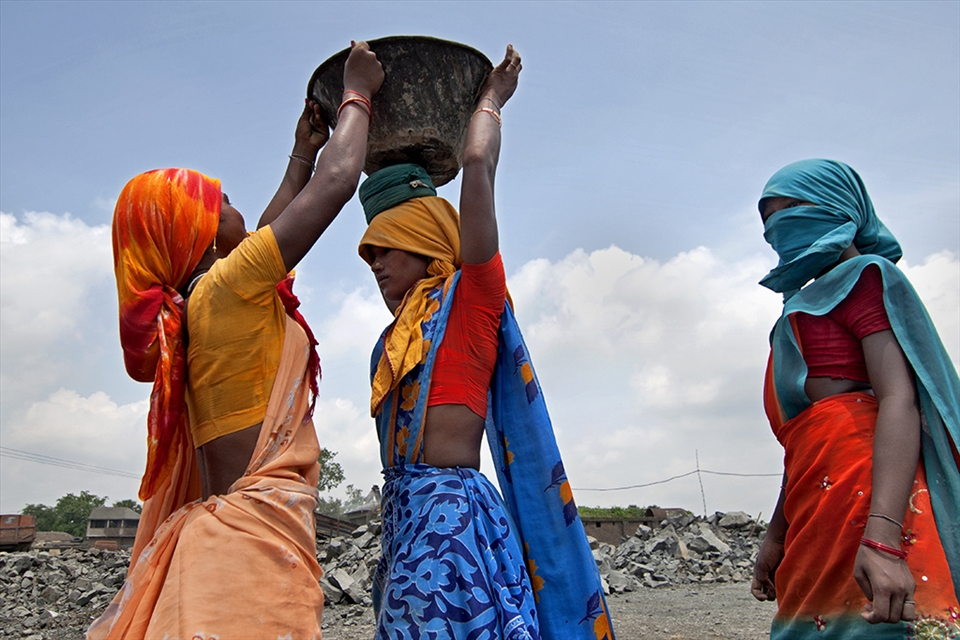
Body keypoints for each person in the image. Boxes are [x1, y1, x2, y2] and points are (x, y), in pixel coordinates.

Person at [87, 41, 383, 639]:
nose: (232, 203)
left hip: (228, 536)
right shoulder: (228, 287)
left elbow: (273, 226)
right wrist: (358, 94)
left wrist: (301, 153)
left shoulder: (204, 304)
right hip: (248, 547)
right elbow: (339, 182)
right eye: (217, 202)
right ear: (194, 232)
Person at [356, 46, 614, 640]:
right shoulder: (390, 342)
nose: (373, 263)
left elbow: (476, 167)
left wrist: (490, 101)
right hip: (402, 526)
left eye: (386, 248)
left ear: (424, 241)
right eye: (368, 253)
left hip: (453, 530)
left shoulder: (471, 303)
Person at [750, 159, 960, 639]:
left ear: (843, 207)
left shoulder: (867, 276)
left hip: (870, 501)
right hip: (815, 509)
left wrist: (884, 538)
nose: (779, 226)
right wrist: (776, 533)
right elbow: (803, 439)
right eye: (769, 220)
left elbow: (898, 400)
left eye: (794, 209)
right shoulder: (796, 308)